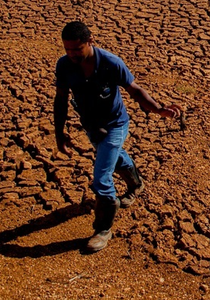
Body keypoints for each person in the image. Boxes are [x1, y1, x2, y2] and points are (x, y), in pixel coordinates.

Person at [54, 21, 181, 252]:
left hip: (115, 125)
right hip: (92, 126)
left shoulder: (111, 63)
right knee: (115, 158)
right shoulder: (64, 66)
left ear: (90, 41)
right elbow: (60, 98)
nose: (71, 54)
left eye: (76, 49)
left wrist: (158, 109)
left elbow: (135, 90)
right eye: (67, 49)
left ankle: (103, 230)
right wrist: (59, 132)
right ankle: (136, 185)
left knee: (102, 177)